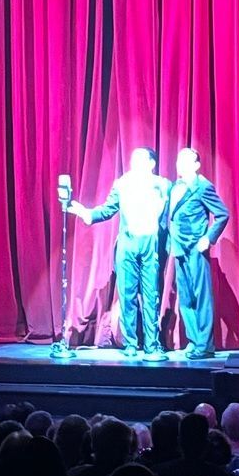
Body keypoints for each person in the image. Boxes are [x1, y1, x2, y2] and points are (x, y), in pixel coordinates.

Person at [71, 147, 169, 360]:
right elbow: (107, 210)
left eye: (141, 159)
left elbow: (168, 216)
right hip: (127, 245)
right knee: (127, 295)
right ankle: (131, 344)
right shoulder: (122, 184)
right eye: (134, 159)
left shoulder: (162, 184)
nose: (135, 162)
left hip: (150, 244)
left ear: (152, 163)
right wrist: (87, 214)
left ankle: (152, 345)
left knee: (151, 296)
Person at [165, 145, 231, 359]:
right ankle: (194, 341)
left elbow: (222, 214)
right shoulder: (174, 186)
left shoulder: (203, 186)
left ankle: (205, 345)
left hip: (195, 246)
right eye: (178, 161)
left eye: (185, 161)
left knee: (201, 296)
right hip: (178, 246)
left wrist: (208, 238)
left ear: (196, 165)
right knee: (185, 297)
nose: (180, 165)